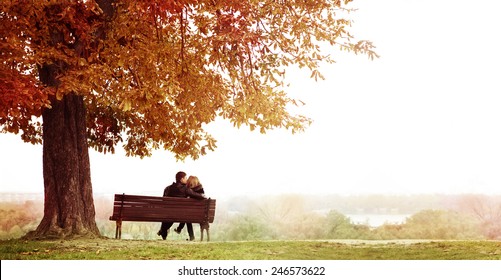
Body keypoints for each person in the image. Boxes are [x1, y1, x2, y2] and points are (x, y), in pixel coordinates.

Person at [157, 171, 206, 240]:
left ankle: (163, 231)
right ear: (181, 179)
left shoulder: (167, 189)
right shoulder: (186, 189)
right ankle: (192, 237)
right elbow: (201, 196)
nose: (187, 179)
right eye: (185, 178)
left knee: (171, 215)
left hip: (169, 214)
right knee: (186, 216)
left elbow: (163, 201)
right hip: (181, 214)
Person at [173, 176, 205, 240]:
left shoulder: (189, 191)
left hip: (192, 214)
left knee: (186, 217)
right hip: (201, 215)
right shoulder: (201, 190)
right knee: (187, 217)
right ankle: (187, 234)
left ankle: (184, 232)